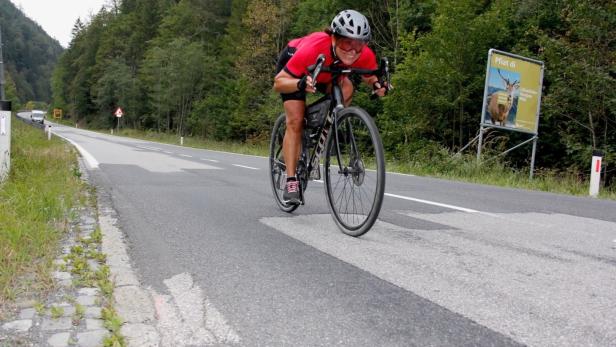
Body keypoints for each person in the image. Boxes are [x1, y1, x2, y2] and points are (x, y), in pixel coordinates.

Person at [273, 9, 388, 205]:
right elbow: (279, 82)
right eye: (346, 42)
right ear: (334, 38)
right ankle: (292, 181)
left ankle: (321, 129)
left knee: (348, 88)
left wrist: (378, 85)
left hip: (327, 74)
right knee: (296, 120)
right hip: (297, 70)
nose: (353, 50)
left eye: (359, 43)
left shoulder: (363, 53)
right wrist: (300, 84)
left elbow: (369, 75)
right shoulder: (313, 48)